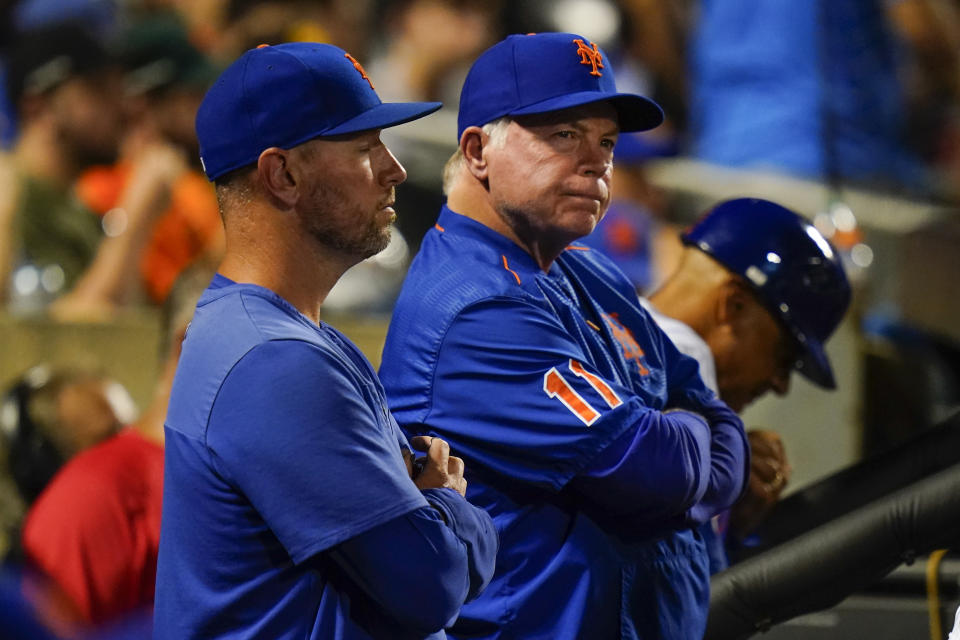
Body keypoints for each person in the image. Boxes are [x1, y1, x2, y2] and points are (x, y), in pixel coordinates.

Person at [379, 32, 749, 639]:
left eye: (605, 140)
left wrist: (691, 441)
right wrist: (694, 449)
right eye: (563, 136)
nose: (597, 161)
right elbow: (656, 468)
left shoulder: (589, 268)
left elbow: (705, 405)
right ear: (477, 151)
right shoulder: (475, 308)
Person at [153, 42, 498, 639]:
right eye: (365, 149)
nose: (396, 169)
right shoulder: (271, 360)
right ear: (282, 174)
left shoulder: (294, 337)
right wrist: (450, 506)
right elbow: (432, 585)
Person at [644, 197, 852, 568]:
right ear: (734, 305)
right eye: (783, 357)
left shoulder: (607, 327)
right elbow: (689, 600)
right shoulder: (682, 358)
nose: (779, 384)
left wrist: (727, 514)